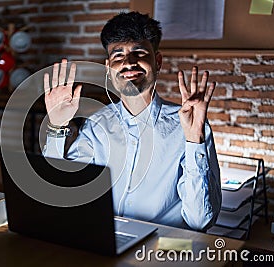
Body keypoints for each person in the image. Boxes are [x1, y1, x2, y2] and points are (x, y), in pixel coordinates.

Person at [42, 11, 221, 231]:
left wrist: (194, 140)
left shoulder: (189, 125)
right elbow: (63, 192)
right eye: (118, 56)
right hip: (105, 241)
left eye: (139, 52)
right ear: (108, 69)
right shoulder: (97, 125)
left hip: (162, 251)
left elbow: (200, 221)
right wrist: (57, 126)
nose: (128, 63)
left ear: (158, 61)